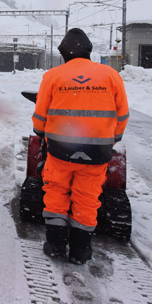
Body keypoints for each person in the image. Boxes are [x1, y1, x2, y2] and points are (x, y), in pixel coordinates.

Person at [32, 28, 129, 265]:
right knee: (87, 199)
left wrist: (40, 132)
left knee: (56, 193)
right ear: (89, 50)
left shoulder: (53, 76)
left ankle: (56, 244)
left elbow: (41, 113)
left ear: (63, 53)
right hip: (98, 151)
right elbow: (122, 113)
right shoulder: (110, 75)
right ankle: (80, 250)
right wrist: (113, 138)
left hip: (60, 149)